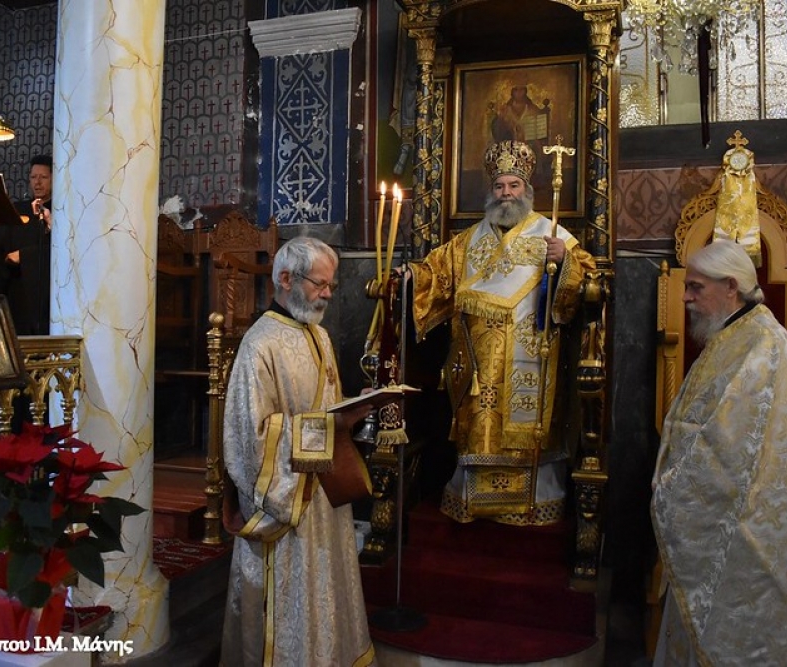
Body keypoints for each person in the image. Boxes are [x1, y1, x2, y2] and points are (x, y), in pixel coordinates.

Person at [651, 239, 787, 665]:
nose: (685, 297)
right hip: (727, 510)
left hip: (747, 520)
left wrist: (676, 485)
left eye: (696, 287)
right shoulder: (733, 334)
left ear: (731, 287)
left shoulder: (764, 347)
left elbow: (734, 443)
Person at [405, 140, 595, 525]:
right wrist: (409, 278)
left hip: (530, 358)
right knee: (481, 425)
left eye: (513, 185)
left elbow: (589, 285)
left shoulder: (551, 234)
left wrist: (567, 263)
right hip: (476, 364)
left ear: (528, 189)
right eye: (499, 187)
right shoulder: (467, 241)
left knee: (523, 428)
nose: (506, 194)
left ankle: (530, 500)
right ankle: (474, 499)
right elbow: (435, 276)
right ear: (490, 191)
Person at [220, 236, 376, 666]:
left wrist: (356, 410)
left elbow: (328, 410)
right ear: (286, 278)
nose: (328, 293)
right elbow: (249, 440)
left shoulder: (320, 337)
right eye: (319, 284)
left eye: (331, 284)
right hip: (286, 505)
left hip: (323, 498)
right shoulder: (259, 345)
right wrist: (330, 426)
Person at [0, 154, 53, 335]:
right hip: (16, 286)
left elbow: (58, 250)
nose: (37, 182)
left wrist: (25, 256)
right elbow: (0, 240)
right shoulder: (17, 209)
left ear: (54, 179)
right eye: (33, 177)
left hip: (43, 289)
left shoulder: (60, 209)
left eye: (43, 177)